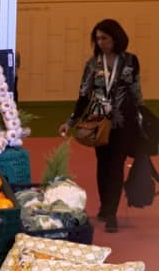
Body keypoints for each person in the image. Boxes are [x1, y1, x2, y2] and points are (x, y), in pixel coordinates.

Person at [59, 18, 143, 233]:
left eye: (104, 38)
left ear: (116, 37)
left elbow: (136, 92)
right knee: (103, 165)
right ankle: (105, 207)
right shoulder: (92, 64)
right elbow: (83, 95)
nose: (100, 42)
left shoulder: (131, 61)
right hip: (98, 122)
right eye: (97, 39)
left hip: (124, 123)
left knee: (116, 165)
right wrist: (70, 122)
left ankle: (112, 213)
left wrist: (141, 119)